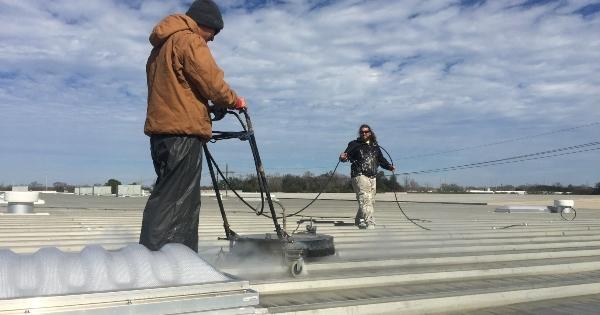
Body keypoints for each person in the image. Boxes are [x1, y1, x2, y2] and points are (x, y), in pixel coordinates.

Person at [140, 0, 246, 252]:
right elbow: (211, 82)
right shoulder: (189, 40)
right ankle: (166, 258)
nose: (212, 39)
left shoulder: (160, 47)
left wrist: (205, 107)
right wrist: (234, 100)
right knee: (179, 202)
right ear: (204, 24)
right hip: (182, 135)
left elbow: (180, 89)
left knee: (168, 195)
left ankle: (160, 254)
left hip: (162, 134)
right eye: (213, 33)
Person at [339, 124, 395, 229]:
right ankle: (370, 222)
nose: (364, 133)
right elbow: (345, 157)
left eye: (366, 131)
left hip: (372, 176)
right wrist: (342, 157)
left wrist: (389, 167)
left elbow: (381, 160)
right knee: (365, 199)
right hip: (359, 175)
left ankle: (359, 220)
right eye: (362, 132)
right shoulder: (354, 144)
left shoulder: (375, 146)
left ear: (370, 133)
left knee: (370, 200)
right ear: (360, 133)